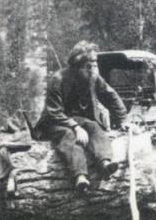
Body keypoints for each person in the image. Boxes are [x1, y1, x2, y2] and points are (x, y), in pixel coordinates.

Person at [35, 41, 127, 192]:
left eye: (95, 64)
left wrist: (123, 119)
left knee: (94, 126)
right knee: (68, 135)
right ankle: (80, 176)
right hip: (54, 122)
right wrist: (75, 127)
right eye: (89, 65)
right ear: (76, 66)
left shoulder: (93, 77)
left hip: (79, 121)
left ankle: (104, 163)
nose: (93, 68)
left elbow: (111, 96)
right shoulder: (58, 79)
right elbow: (54, 111)